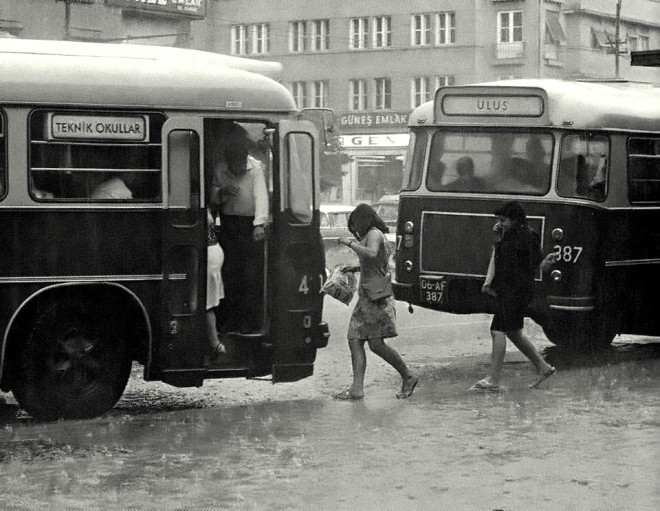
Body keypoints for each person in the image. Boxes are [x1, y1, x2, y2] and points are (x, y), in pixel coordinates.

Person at [335, 203, 418, 400]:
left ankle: (406, 376)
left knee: (366, 341)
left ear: (364, 219)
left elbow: (371, 254)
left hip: (376, 298)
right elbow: (375, 262)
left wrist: (350, 243)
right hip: (371, 296)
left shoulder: (373, 234)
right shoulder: (374, 234)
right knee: (366, 341)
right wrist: (355, 268)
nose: (355, 229)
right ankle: (360, 387)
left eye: (355, 224)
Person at [473, 200, 558, 392]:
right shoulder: (510, 235)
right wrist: (500, 234)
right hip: (510, 290)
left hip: (517, 291)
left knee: (498, 330)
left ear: (515, 219)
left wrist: (547, 262)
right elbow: (501, 257)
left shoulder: (527, 237)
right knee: (513, 331)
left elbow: (536, 265)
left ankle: (493, 379)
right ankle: (543, 368)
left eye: (504, 220)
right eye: (499, 220)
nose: (501, 223)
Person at [210, 128, 269, 334]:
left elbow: (261, 196)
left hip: (249, 225)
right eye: (235, 165)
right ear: (229, 162)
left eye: (241, 163)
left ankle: (250, 322)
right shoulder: (220, 169)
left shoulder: (255, 168)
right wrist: (222, 192)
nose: (239, 168)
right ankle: (229, 322)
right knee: (230, 273)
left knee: (250, 275)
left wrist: (259, 223)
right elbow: (213, 197)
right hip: (229, 224)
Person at [205, 209, 226, 365]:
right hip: (212, 251)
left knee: (207, 303)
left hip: (208, 254)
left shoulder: (192, 200)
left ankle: (215, 344)